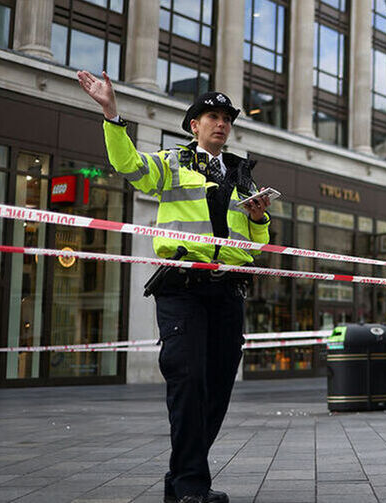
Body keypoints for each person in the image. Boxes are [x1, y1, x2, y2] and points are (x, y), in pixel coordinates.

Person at [77, 70, 271, 502]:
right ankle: (190, 489)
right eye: (211, 116)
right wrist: (111, 112)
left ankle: (180, 481)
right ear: (193, 125)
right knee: (187, 380)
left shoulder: (242, 173)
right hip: (182, 287)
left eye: (227, 118)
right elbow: (129, 165)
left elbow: (258, 243)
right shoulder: (171, 162)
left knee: (218, 389)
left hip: (228, 291)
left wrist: (259, 218)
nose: (221, 123)